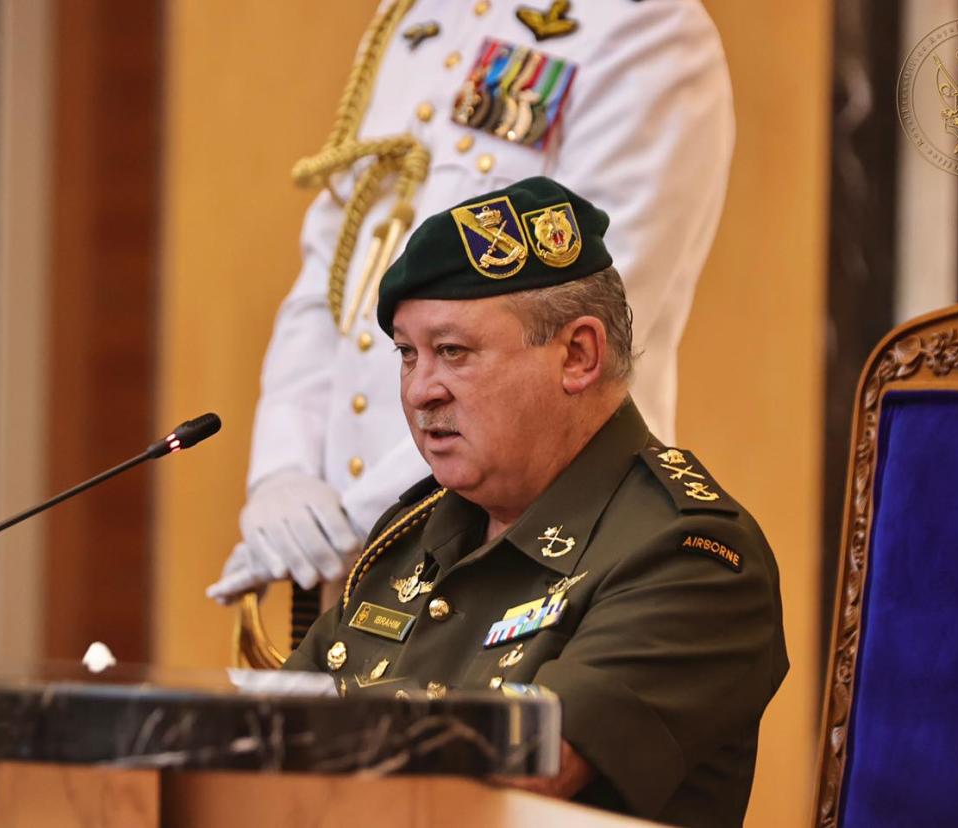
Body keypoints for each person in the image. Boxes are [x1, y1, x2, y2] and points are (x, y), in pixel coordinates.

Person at [282, 177, 788, 827]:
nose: (419, 391)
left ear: (577, 355)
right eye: (408, 355)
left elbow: (518, 776)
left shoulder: (692, 557)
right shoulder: (412, 532)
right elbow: (268, 729)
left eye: (453, 352)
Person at [207, 0, 735, 602]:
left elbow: (583, 318)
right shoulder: (416, 15)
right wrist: (285, 474)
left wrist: (362, 522)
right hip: (353, 556)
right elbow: (333, 271)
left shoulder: (644, 26)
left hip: (527, 548)